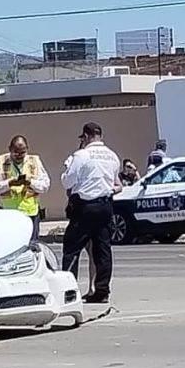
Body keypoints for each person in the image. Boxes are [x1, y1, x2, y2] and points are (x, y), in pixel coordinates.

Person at [61, 122, 121, 303]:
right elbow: (115, 183)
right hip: (105, 206)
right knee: (102, 250)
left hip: (85, 206)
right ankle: (102, 291)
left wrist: (66, 175)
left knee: (72, 248)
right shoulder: (112, 156)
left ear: (86, 136)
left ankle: (69, 292)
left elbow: (67, 182)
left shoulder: (82, 154)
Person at [0, 135, 50, 240]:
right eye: (16, 152)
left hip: (30, 213)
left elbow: (45, 186)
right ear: (10, 149)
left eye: (23, 152)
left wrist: (30, 182)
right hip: (9, 214)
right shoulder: (1, 161)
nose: (19, 155)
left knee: (31, 247)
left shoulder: (34, 161)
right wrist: (10, 183)